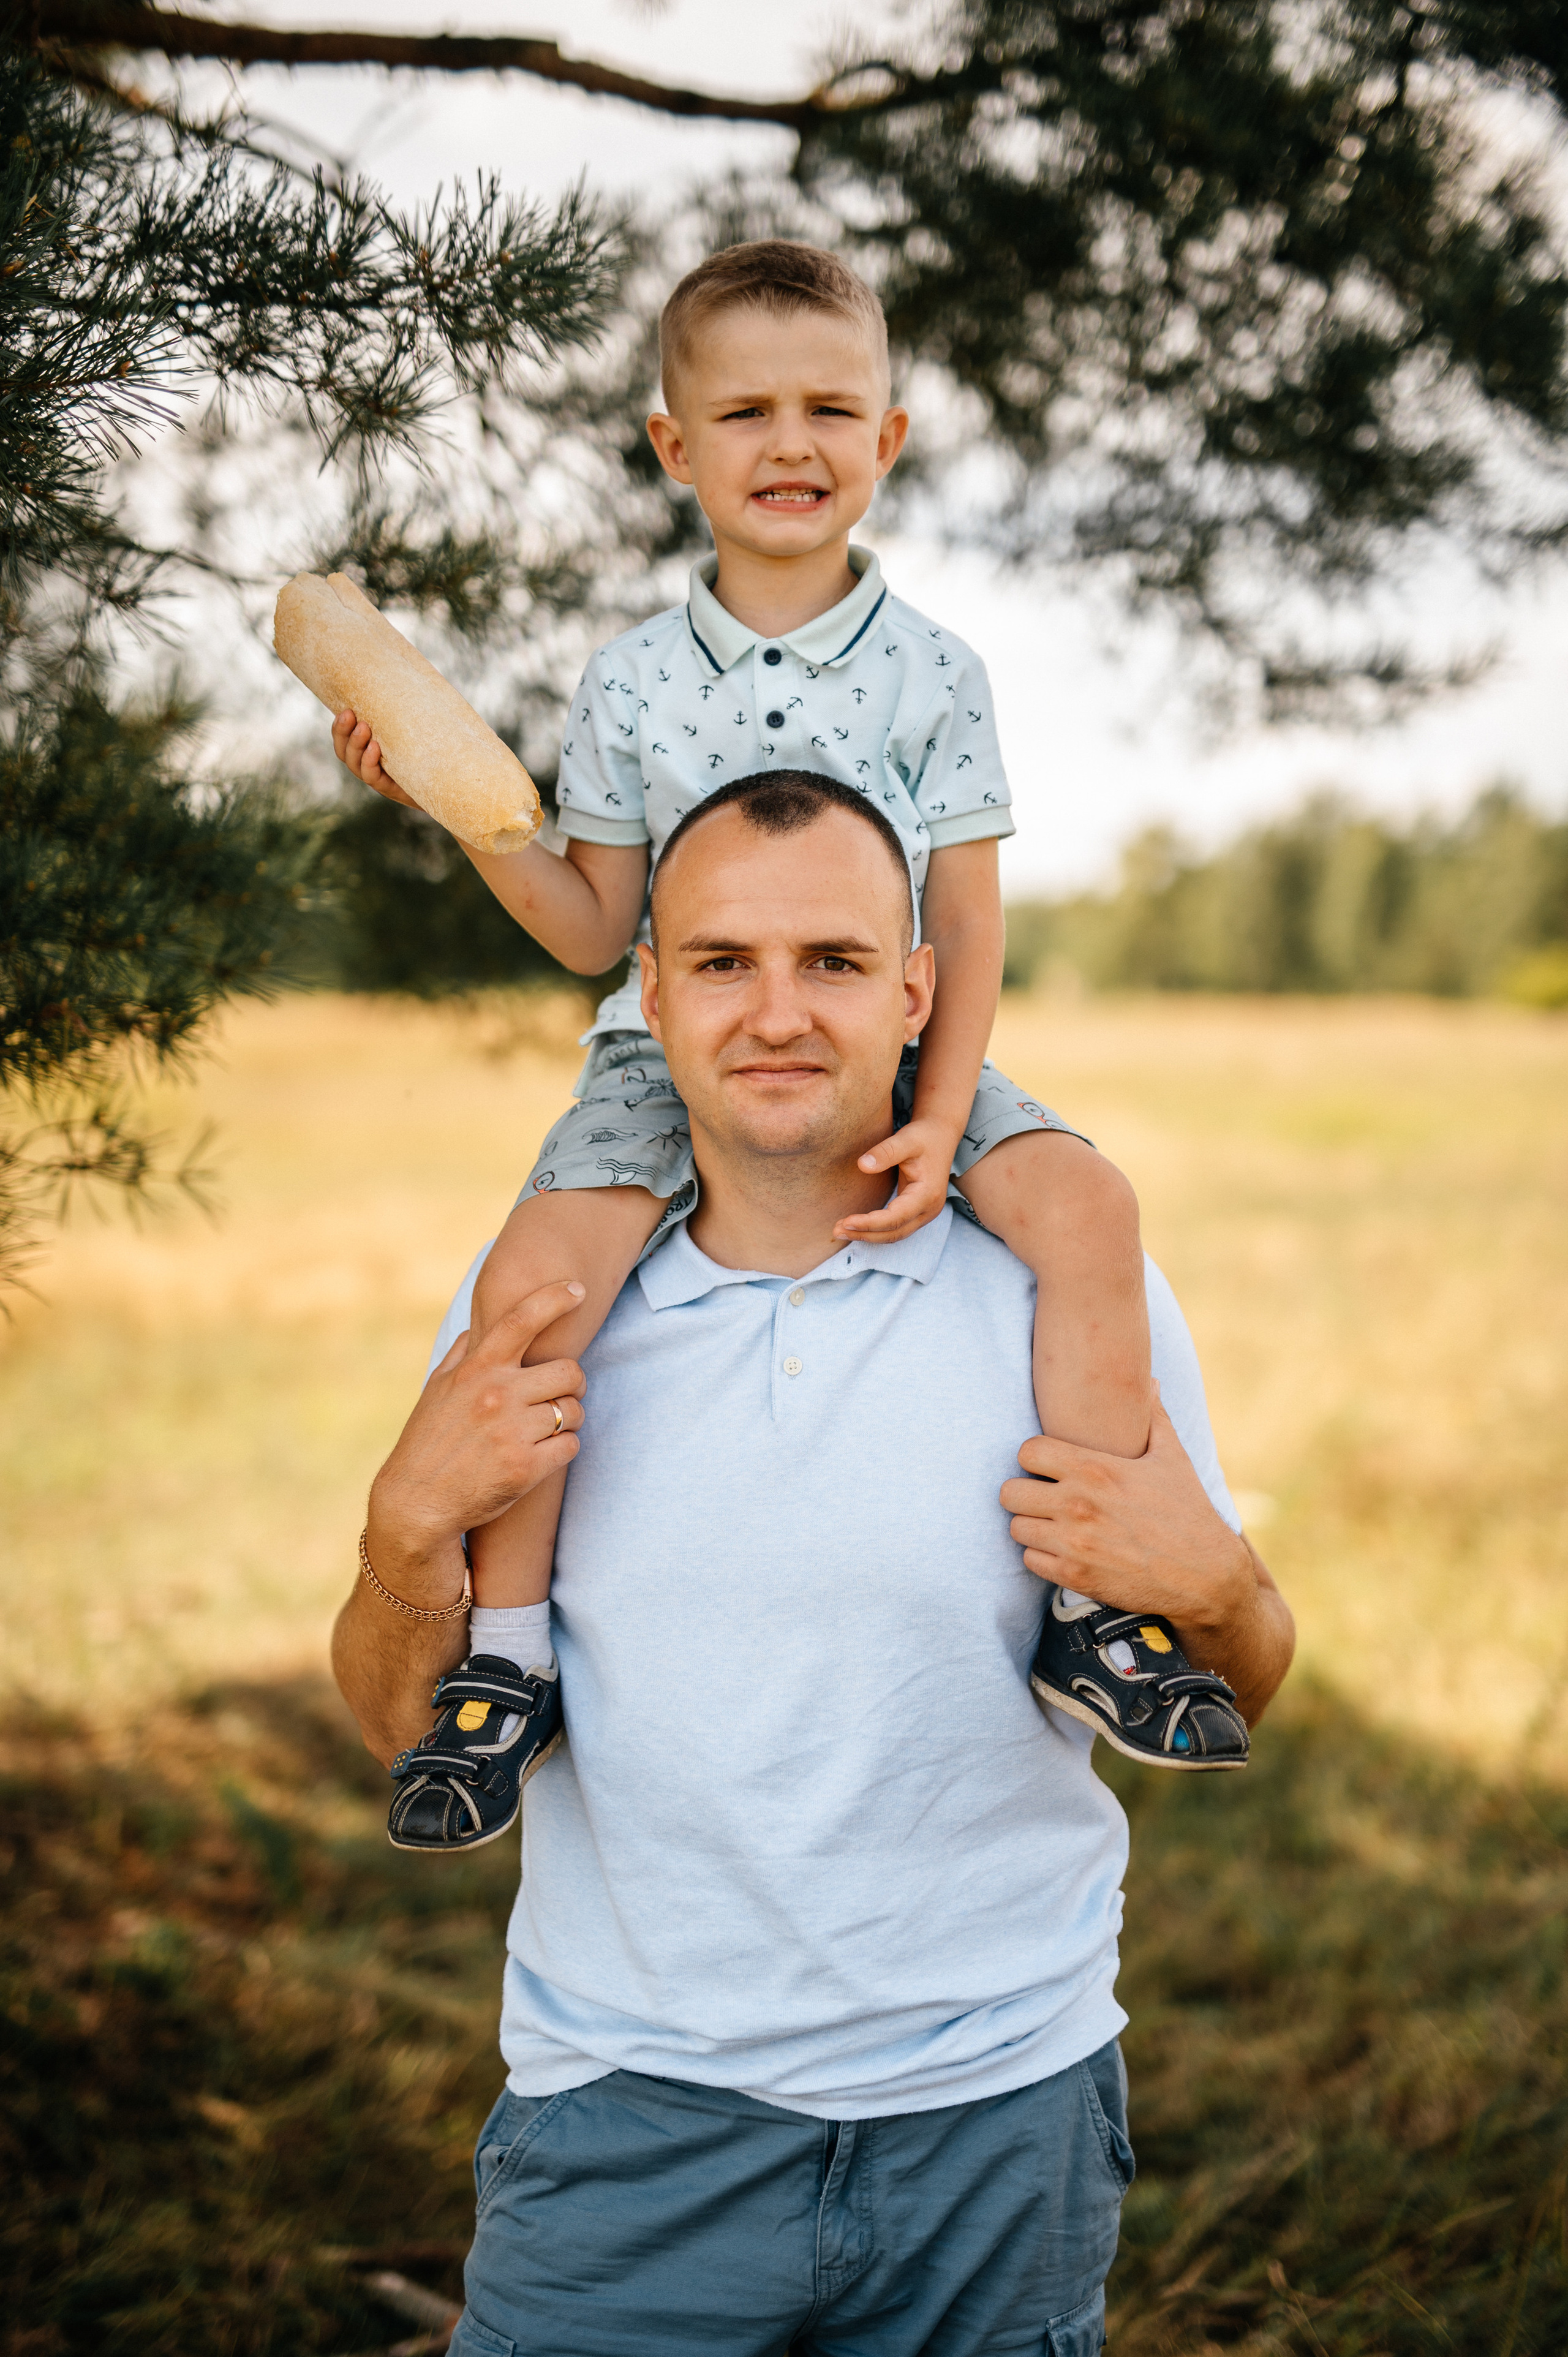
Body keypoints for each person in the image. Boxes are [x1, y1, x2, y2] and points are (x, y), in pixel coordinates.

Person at [333, 777, 1295, 2355]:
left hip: (996, 2124)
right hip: (625, 2126)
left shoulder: (1066, 1302)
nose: (778, 1014)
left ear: (920, 989)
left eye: (836, 963)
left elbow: (1238, 1678)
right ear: (650, 991)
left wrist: (1225, 1589)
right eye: (723, 962)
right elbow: (394, 1726)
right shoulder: (545, 1302)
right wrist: (401, 1531)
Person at [333, 240, 1247, 1852]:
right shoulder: (628, 683)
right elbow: (585, 918)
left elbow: (962, 923)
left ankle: (1101, 1606)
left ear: (888, 441)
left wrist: (941, 1106)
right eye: (744, 410)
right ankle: (508, 1661)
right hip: (657, 1050)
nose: (792, 443)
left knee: (1090, 1210)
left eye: (834, 407)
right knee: (538, 1280)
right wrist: (452, 807)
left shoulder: (934, 673)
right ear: (674, 446)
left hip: (902, 1046)